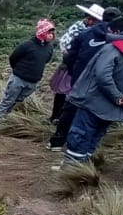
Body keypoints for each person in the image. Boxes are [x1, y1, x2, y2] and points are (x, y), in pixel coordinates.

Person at [62, 15, 123, 165]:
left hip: (93, 102)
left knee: (80, 134)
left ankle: (71, 169)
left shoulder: (112, 48)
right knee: (95, 135)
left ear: (116, 31)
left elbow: (103, 75)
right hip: (114, 108)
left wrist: (116, 96)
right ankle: (84, 168)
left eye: (109, 30)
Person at [49, 8, 117, 150]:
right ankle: (82, 148)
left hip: (79, 81)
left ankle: (58, 142)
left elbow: (70, 57)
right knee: (90, 115)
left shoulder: (85, 34)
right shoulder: (119, 40)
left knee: (70, 110)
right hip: (101, 85)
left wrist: (75, 75)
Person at [0, 19, 56, 131]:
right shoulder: (27, 45)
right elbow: (13, 58)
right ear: (42, 32)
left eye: (52, 33)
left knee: (17, 100)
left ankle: (4, 116)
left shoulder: (49, 47)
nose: (51, 35)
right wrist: (18, 70)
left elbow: (46, 60)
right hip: (18, 79)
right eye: (49, 32)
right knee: (8, 99)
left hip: (33, 82)